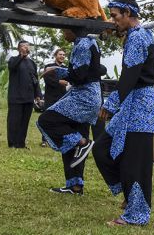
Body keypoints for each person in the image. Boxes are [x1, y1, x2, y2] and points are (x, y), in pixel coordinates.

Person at [92, 0, 154, 226]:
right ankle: (128, 195)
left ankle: (137, 214)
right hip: (131, 102)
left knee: (135, 162)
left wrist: (110, 104)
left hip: (141, 104)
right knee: (102, 148)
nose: (112, 21)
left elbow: (130, 75)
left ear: (128, 14)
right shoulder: (134, 35)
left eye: (114, 16)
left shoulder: (138, 36)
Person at [36, 29, 104, 195]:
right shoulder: (89, 42)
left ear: (73, 28)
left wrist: (57, 70)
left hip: (84, 96)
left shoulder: (82, 44)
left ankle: (83, 143)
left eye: (64, 29)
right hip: (89, 95)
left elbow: (79, 75)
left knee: (46, 120)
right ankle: (75, 185)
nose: (62, 33)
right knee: (70, 140)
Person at [7, 40, 41, 148]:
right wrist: (21, 56)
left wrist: (38, 94)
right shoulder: (13, 60)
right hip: (15, 97)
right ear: (19, 48)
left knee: (24, 122)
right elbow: (12, 67)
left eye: (27, 46)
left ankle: (21, 143)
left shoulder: (32, 63)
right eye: (23, 46)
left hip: (28, 98)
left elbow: (35, 79)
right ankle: (12, 142)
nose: (26, 48)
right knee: (14, 121)